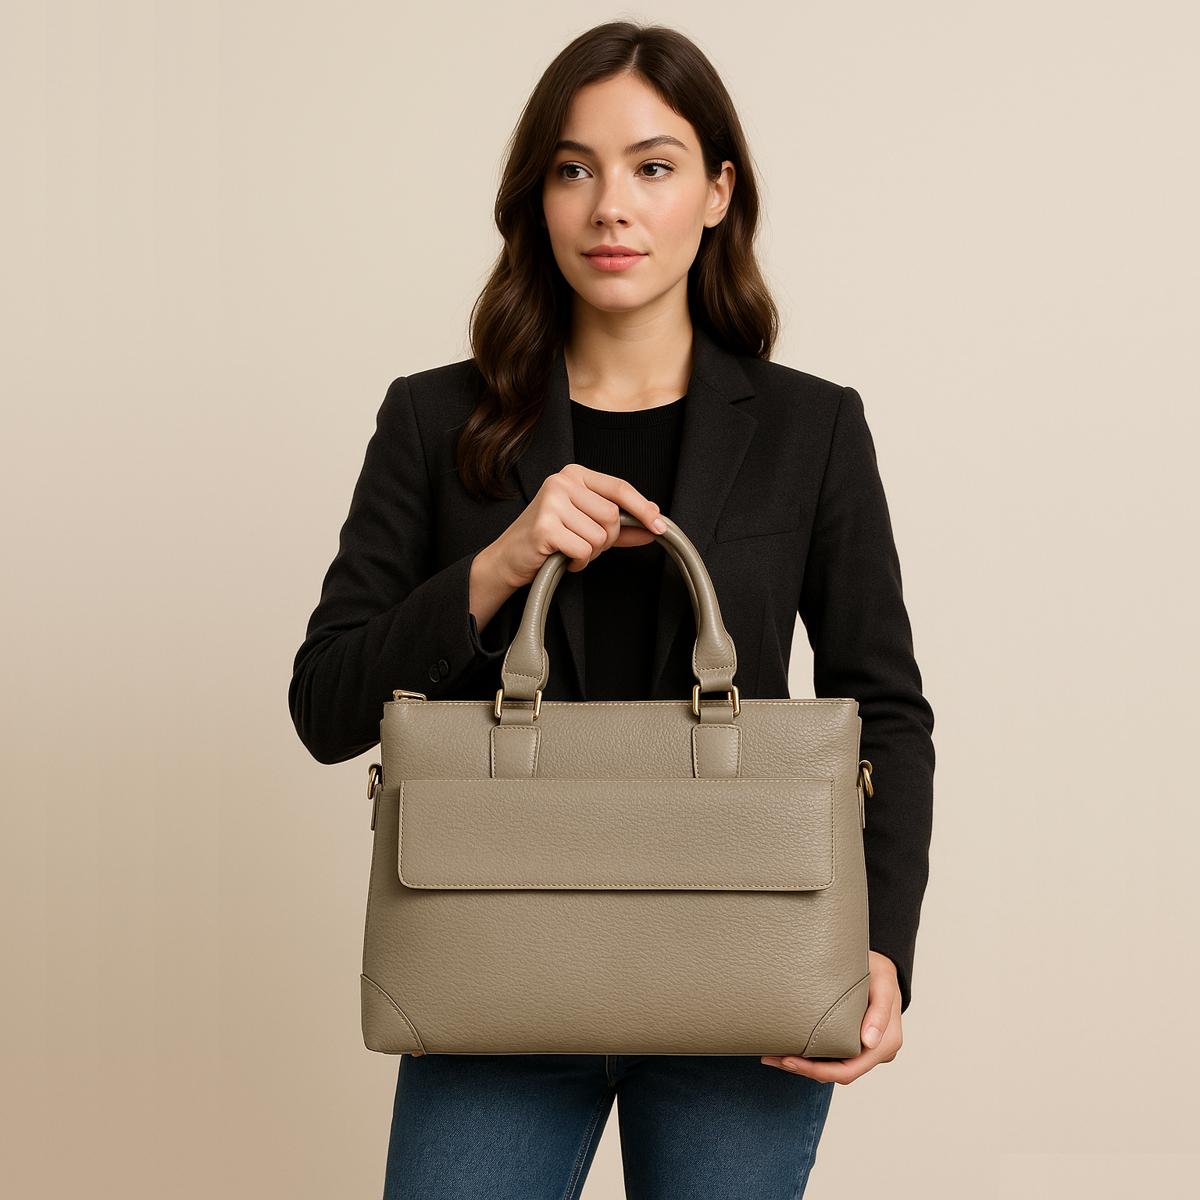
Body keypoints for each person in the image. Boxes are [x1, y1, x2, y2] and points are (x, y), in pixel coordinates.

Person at [288, 20, 935, 1200]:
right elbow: (326, 703)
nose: (610, 207)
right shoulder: (435, 425)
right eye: (574, 168)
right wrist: (497, 564)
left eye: (653, 165)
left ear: (718, 192)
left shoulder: (811, 428)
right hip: (495, 975)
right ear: (537, 198)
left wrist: (884, 945)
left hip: (749, 973)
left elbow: (887, 709)